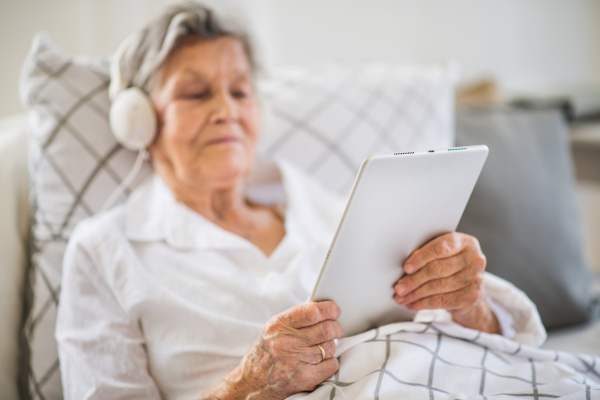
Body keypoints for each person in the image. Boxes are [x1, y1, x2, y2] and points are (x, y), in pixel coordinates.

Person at [55, 3, 545, 400]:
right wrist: (248, 386)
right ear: (139, 120)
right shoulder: (104, 250)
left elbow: (503, 340)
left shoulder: (329, 207)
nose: (226, 111)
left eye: (240, 90)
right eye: (196, 93)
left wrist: (468, 301)